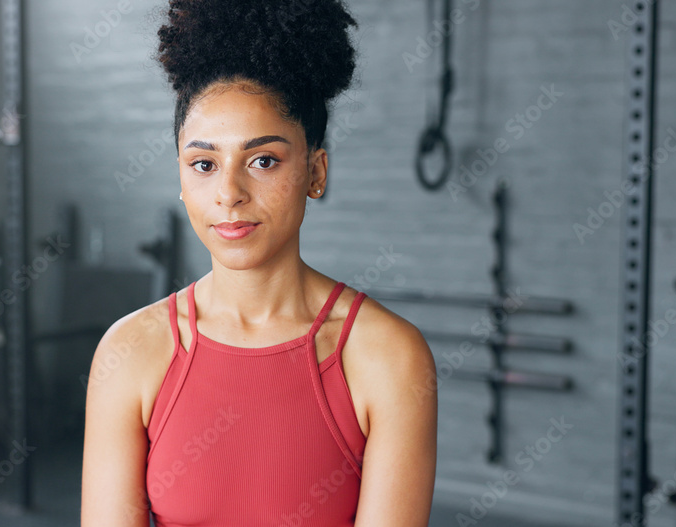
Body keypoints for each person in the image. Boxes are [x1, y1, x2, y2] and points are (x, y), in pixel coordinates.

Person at [82, 1, 437, 525]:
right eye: (204, 164)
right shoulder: (130, 352)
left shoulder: (389, 357)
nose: (229, 193)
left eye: (263, 161)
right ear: (181, 179)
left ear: (316, 171)